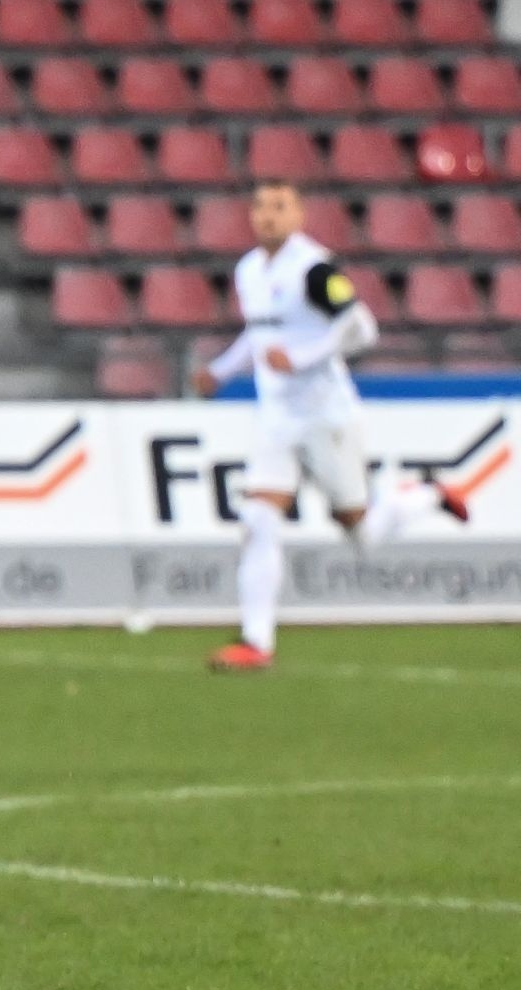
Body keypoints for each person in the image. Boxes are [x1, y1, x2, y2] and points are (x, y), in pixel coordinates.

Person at [196, 180, 469, 672]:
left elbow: (362, 328)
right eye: (260, 206)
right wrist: (219, 371)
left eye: (279, 207)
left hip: (326, 415)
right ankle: (256, 642)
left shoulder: (315, 269)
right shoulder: (249, 269)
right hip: (277, 417)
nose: (267, 215)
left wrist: (301, 357)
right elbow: (260, 335)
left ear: (299, 215)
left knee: (360, 531)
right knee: (258, 519)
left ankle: (427, 495)